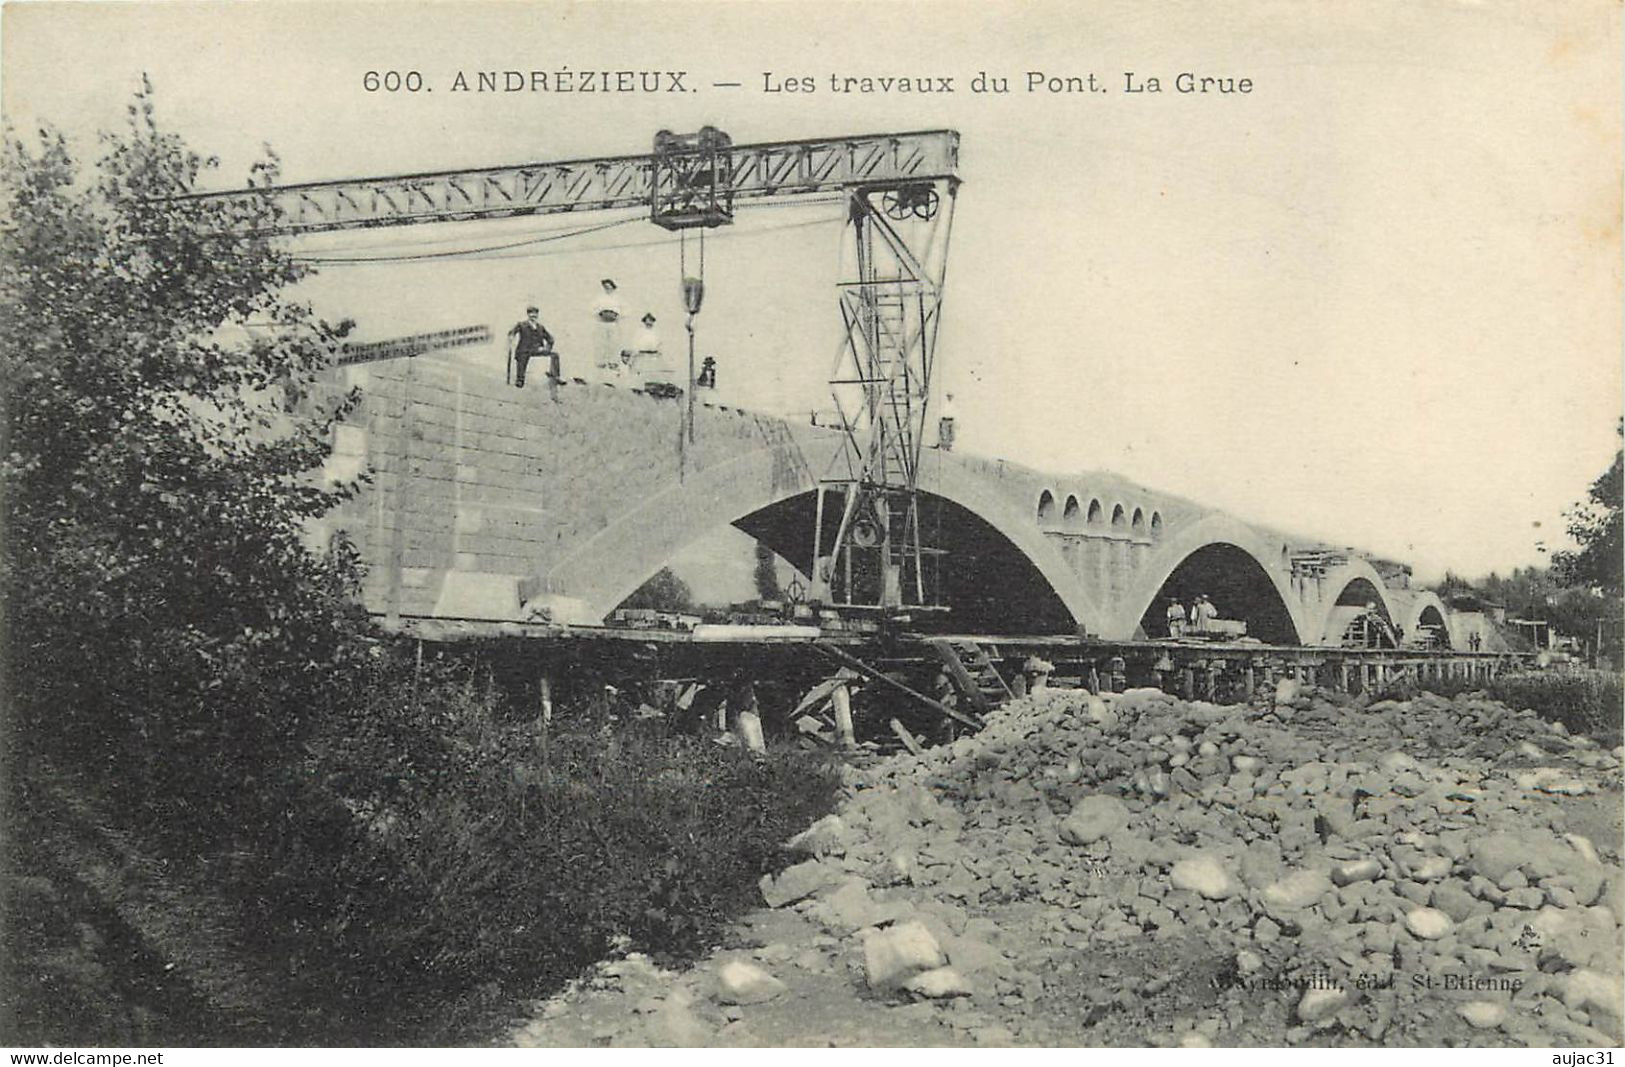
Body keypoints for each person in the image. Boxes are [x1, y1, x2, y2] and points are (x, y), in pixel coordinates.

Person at [505, 305, 555, 394]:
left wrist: (546, 348)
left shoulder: (540, 327)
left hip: (536, 349)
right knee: (522, 359)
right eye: (531, 313)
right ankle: (520, 380)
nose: (533, 316)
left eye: (535, 314)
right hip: (524, 349)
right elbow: (511, 332)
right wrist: (511, 337)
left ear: (537, 315)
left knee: (555, 355)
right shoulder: (521, 324)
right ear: (528, 314)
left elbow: (550, 339)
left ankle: (556, 376)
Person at [592, 278, 623, 380]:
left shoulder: (618, 298)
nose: (607, 289)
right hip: (602, 323)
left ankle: (613, 363)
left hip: (613, 323)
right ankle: (601, 363)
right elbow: (593, 309)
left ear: (613, 287)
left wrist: (617, 315)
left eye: (609, 287)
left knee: (613, 343)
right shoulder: (599, 298)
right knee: (602, 343)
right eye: (605, 287)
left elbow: (625, 310)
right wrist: (599, 314)